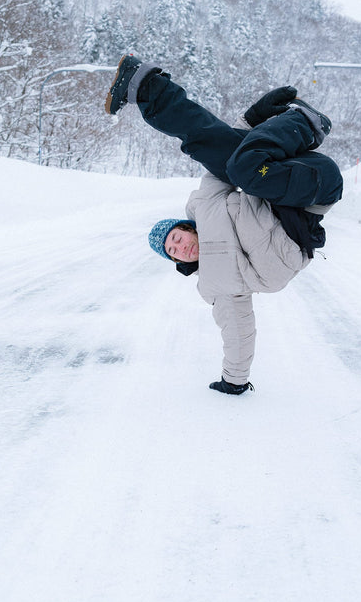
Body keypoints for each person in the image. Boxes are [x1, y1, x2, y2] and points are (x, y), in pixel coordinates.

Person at [104, 55, 343, 395]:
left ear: (188, 228)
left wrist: (253, 118)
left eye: (177, 238)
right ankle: (304, 123)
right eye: (173, 252)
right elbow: (238, 330)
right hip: (312, 193)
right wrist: (234, 380)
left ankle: (143, 85)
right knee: (242, 166)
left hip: (281, 177)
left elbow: (218, 144)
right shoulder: (215, 284)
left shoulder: (206, 204)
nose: (181, 247)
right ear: (179, 262)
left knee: (210, 148)